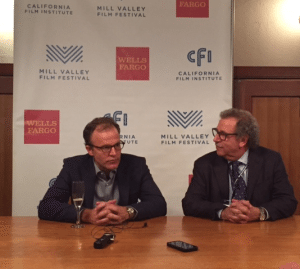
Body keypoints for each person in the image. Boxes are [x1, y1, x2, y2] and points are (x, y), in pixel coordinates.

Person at [38, 117, 167, 225]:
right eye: (106, 148)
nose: (114, 153)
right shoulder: (73, 167)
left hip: (126, 235)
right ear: (90, 150)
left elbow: (159, 204)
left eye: (117, 145)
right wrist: (86, 215)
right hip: (85, 236)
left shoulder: (136, 165)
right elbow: (46, 206)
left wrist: (127, 212)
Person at [182, 108, 297, 223]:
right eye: (217, 132)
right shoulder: (205, 164)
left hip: (261, 232)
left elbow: (287, 201)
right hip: (219, 232)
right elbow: (190, 203)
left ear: (242, 140)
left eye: (223, 135)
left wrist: (259, 213)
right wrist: (223, 213)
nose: (215, 139)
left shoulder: (271, 160)